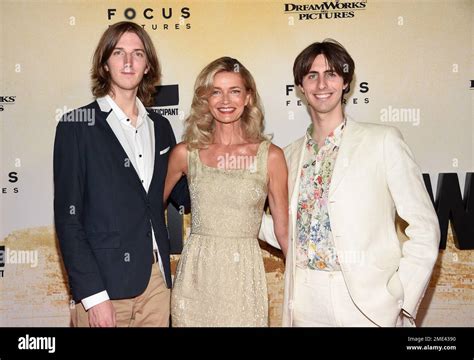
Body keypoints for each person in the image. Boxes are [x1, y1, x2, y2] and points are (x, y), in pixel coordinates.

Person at [259, 39, 440, 327]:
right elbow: (286, 231)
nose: (322, 84)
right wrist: (238, 212)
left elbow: (425, 226)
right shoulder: (288, 156)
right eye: (312, 76)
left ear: (345, 82)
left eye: (331, 74)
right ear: (301, 87)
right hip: (303, 298)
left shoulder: (383, 141)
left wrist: (401, 295)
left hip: (367, 303)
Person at [53, 21, 189, 327]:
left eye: (138, 54)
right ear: (104, 64)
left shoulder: (161, 127)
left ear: (147, 66)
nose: (128, 62)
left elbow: (184, 196)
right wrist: (93, 296)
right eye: (119, 53)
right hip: (104, 287)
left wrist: (226, 159)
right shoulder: (76, 126)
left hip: (156, 283)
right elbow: (68, 219)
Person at [163, 57, 288, 327]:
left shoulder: (272, 157)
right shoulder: (185, 154)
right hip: (195, 280)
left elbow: (284, 232)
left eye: (234, 91)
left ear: (248, 98)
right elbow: (147, 211)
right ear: (205, 100)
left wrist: (301, 288)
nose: (225, 100)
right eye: (215, 92)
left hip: (244, 281)